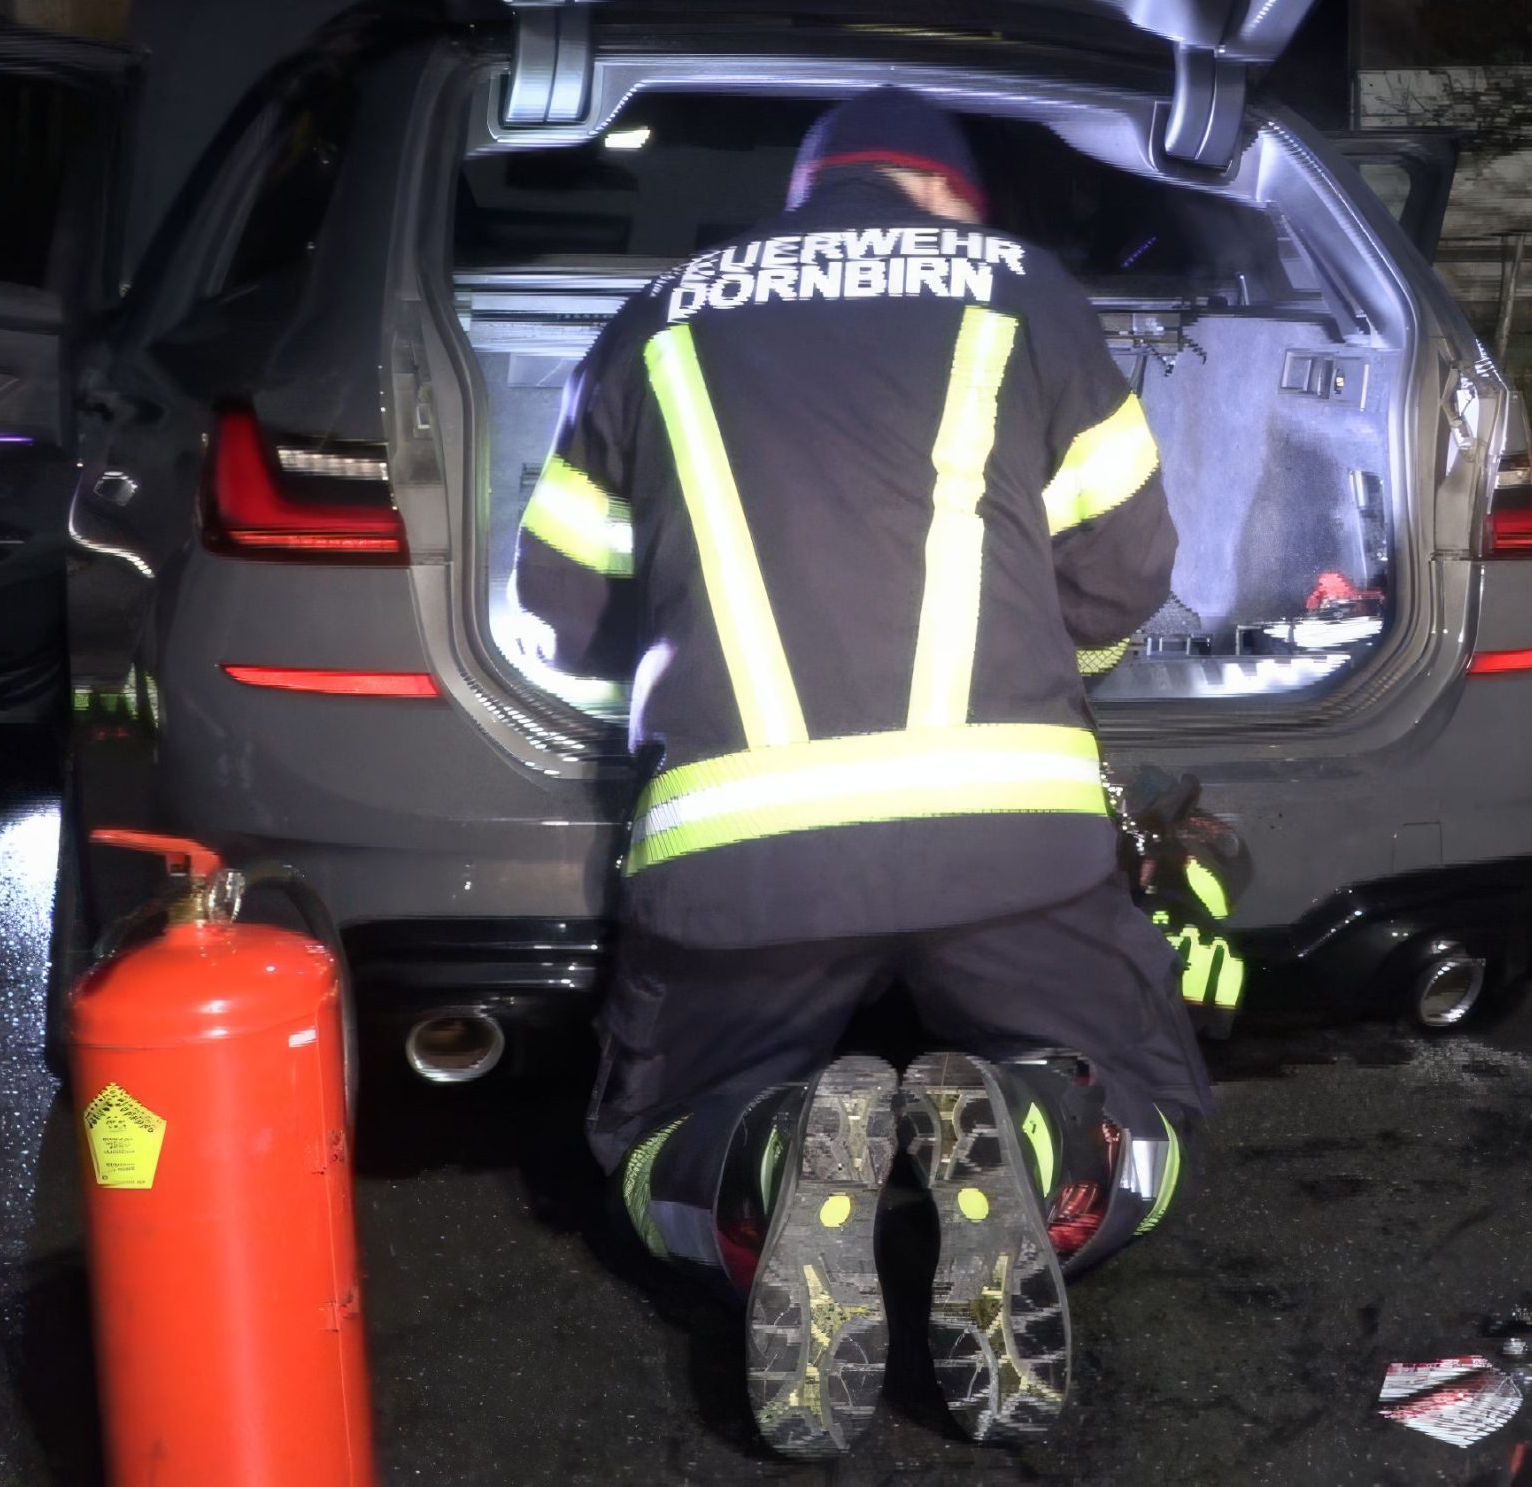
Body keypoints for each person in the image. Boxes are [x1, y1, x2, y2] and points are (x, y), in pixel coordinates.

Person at [513, 86, 1212, 1459]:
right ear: (946, 193)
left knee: (651, 1143)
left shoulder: (660, 313)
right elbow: (1129, 572)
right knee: (1155, 1111)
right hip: (1009, 846)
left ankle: (775, 1158)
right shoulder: (1025, 290)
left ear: (806, 193)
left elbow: (560, 607)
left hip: (738, 863)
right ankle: (1035, 1129)